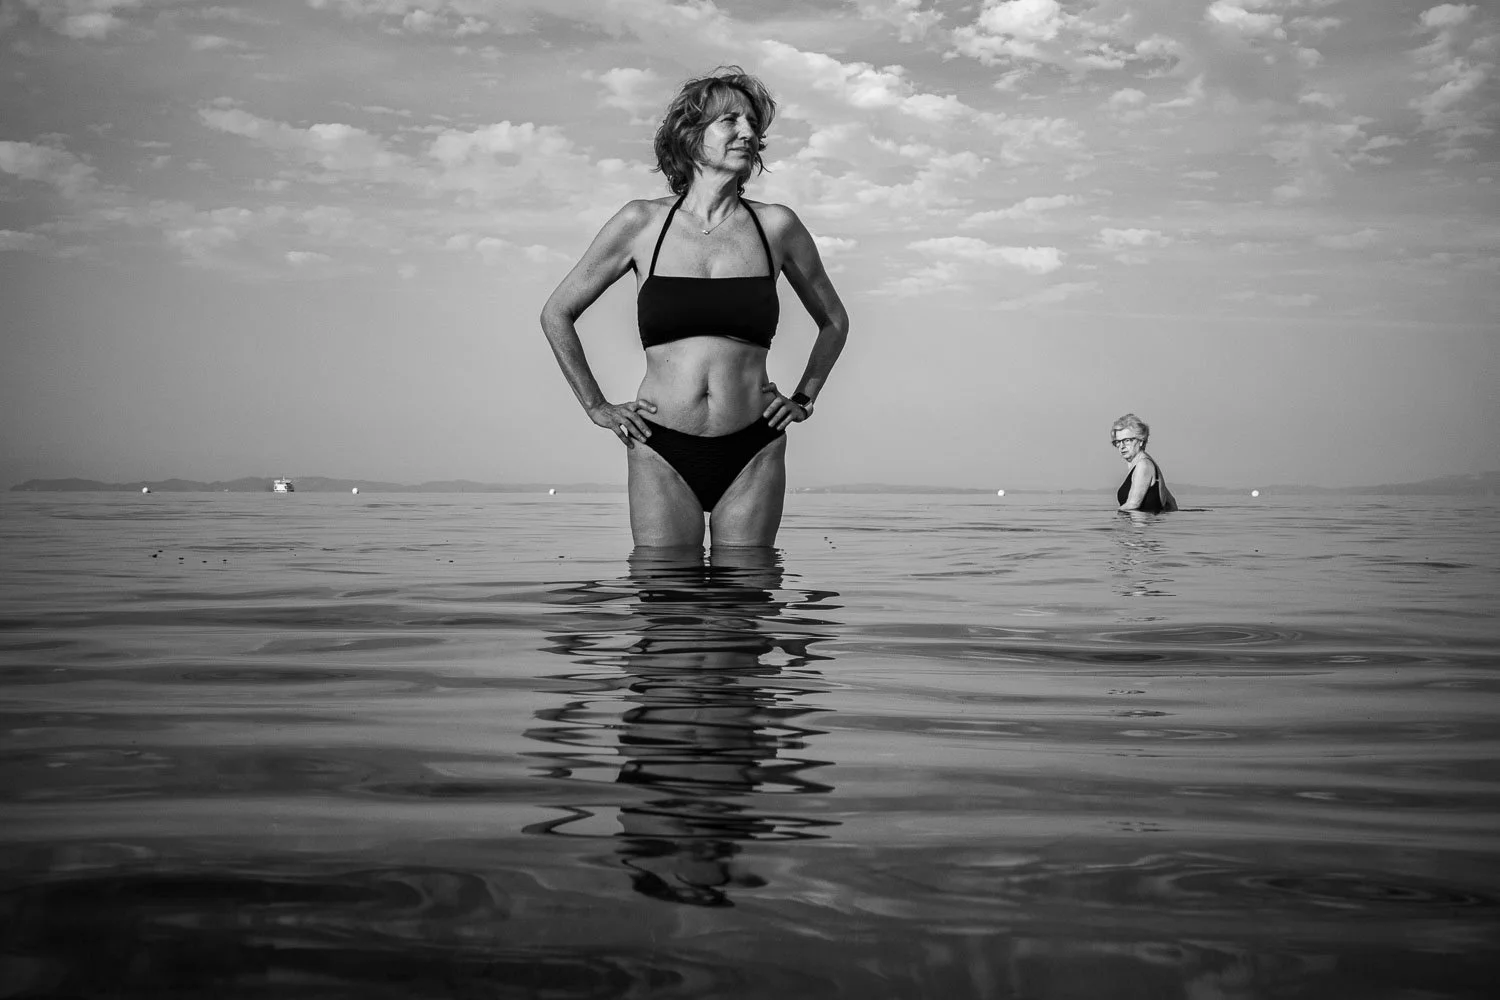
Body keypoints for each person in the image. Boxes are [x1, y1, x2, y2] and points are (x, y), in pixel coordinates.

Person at [540, 67, 849, 549]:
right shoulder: (641, 222)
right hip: (660, 446)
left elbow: (834, 321)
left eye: (752, 123)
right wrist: (596, 405)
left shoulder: (777, 227)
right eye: (730, 121)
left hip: (754, 446)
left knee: (747, 592)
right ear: (690, 135)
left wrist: (804, 398)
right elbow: (556, 312)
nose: (747, 132)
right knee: (664, 590)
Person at [1111, 413, 1177, 513]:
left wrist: (1108, 517)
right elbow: (1172, 503)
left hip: (1140, 523)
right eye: (1118, 442)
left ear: (1141, 441)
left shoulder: (1143, 465)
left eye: (1127, 440)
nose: (1122, 446)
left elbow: (1133, 504)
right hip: (1139, 522)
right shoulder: (1142, 464)